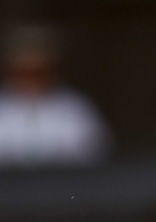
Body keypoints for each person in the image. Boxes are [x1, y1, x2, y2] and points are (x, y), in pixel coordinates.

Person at [0, 25, 111, 168]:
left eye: (39, 72)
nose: (31, 80)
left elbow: (94, 152)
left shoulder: (75, 108)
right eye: (25, 72)